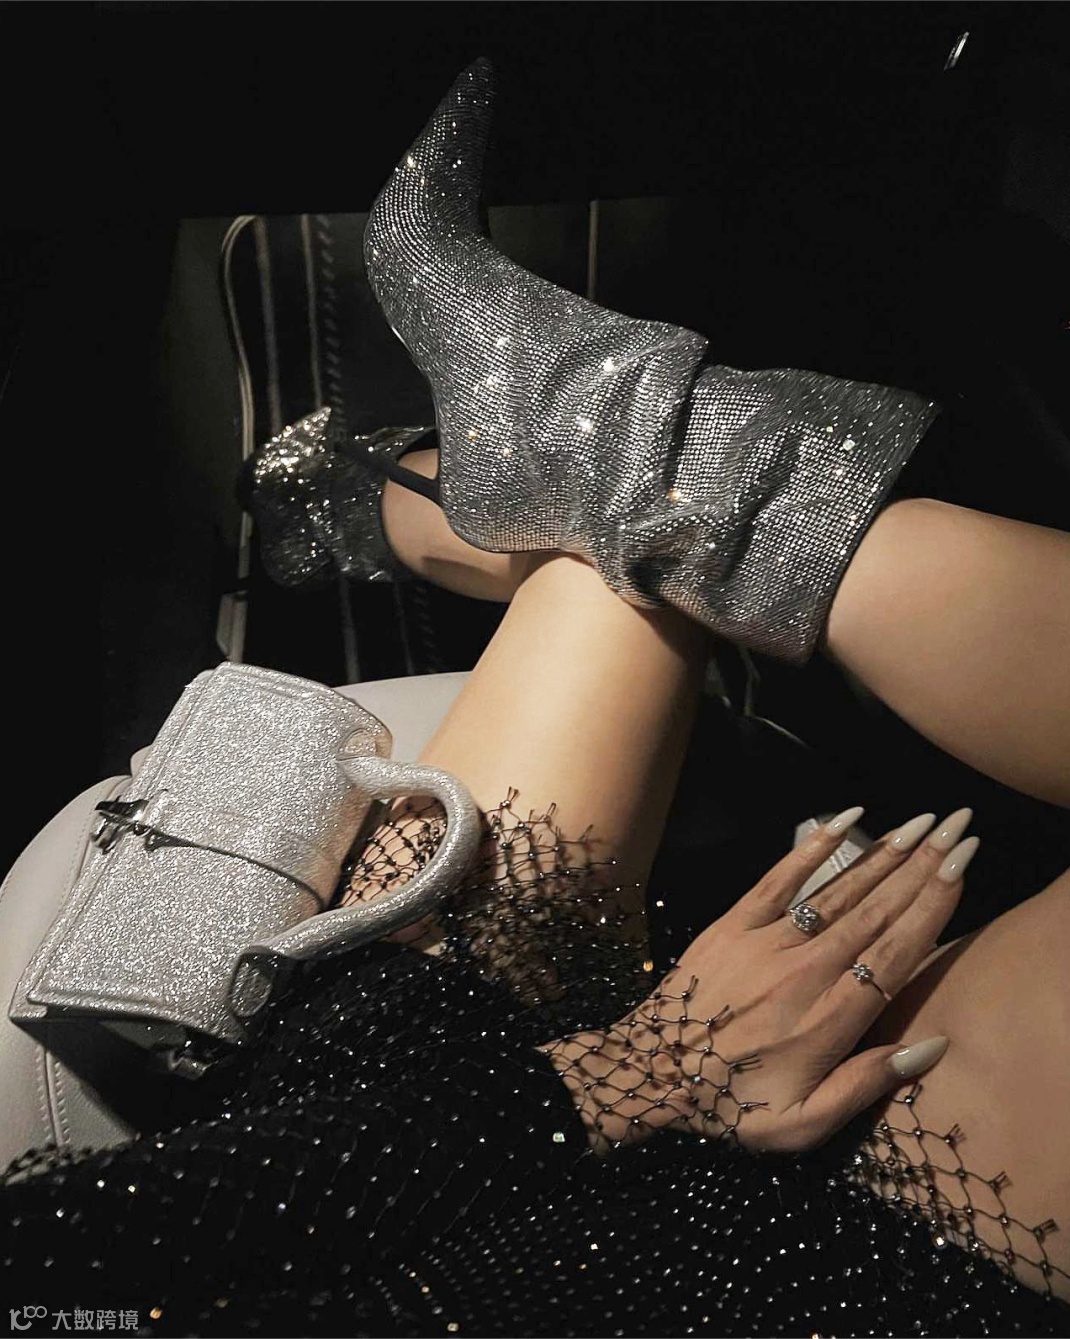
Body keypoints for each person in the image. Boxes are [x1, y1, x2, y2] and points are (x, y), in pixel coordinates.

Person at [3, 61, 1069, 1338]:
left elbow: (64, 1252)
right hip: (759, 1280)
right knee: (627, 530)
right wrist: (658, 1074)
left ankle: (390, 493)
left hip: (399, 1138)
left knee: (611, 571)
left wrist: (630, 1073)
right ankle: (427, 474)